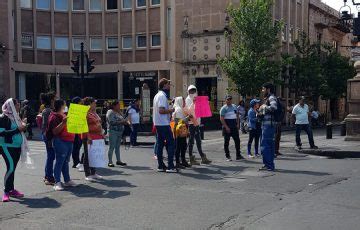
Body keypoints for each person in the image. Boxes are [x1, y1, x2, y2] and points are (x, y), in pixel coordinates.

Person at [46, 99, 77, 191]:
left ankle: (67, 180)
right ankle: (57, 182)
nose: (66, 105)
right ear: (61, 105)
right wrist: (63, 123)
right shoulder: (54, 117)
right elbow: (54, 131)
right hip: (60, 141)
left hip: (69, 141)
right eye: (64, 104)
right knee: (60, 161)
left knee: (65, 162)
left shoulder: (63, 114)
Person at [1, 99, 27, 202]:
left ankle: (11, 189)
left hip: (17, 147)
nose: (19, 106)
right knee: (10, 168)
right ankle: (6, 192)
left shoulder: (15, 117)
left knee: (12, 169)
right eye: (17, 104)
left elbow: (19, 128)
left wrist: (23, 125)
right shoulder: (3, 117)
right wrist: (19, 129)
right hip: (6, 146)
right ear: (11, 105)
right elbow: (2, 133)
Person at [153, 78, 177, 173]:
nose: (169, 86)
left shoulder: (157, 95)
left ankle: (160, 165)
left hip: (158, 123)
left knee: (160, 144)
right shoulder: (162, 96)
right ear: (164, 86)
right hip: (163, 123)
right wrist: (171, 110)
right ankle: (170, 166)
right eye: (168, 84)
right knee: (171, 143)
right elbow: (161, 110)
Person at [185, 85, 211, 165]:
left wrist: (205, 104)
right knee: (192, 141)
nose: (192, 92)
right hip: (192, 123)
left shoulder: (196, 98)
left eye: (194, 90)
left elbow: (199, 109)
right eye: (191, 91)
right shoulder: (188, 99)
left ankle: (202, 157)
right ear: (188, 92)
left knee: (198, 141)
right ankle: (191, 158)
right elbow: (188, 111)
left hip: (196, 122)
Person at [82, 97, 104, 181]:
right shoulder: (84, 113)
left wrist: (101, 133)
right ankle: (87, 174)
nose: (95, 104)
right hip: (89, 137)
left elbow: (99, 122)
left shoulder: (93, 113)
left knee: (94, 155)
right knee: (87, 155)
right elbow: (84, 126)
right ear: (90, 104)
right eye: (94, 103)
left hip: (96, 136)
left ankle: (93, 173)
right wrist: (88, 136)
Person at [258, 83, 277, 171]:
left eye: (263, 89)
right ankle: (267, 164)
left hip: (268, 125)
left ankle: (269, 165)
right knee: (268, 145)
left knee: (266, 145)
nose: (262, 91)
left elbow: (274, 107)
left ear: (268, 89)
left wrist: (264, 107)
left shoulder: (271, 97)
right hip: (266, 124)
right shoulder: (268, 98)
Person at [220, 95, 244, 161]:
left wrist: (238, 124)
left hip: (234, 126)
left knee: (237, 141)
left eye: (230, 99)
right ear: (225, 100)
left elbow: (237, 115)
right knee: (226, 142)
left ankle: (238, 155)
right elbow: (222, 119)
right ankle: (228, 156)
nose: (229, 100)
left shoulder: (234, 106)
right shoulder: (223, 108)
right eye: (228, 99)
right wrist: (226, 127)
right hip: (227, 127)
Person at [106, 100, 128, 167]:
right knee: (111, 147)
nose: (119, 106)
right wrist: (122, 122)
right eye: (118, 105)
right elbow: (111, 122)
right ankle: (110, 161)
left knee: (117, 147)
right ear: (114, 106)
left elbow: (123, 119)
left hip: (119, 131)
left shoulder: (119, 112)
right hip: (113, 131)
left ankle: (118, 160)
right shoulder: (110, 112)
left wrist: (125, 121)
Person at [172, 96, 192, 168]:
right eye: (183, 101)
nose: (184, 102)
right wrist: (188, 118)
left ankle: (183, 161)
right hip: (179, 130)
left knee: (183, 146)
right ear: (180, 101)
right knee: (179, 146)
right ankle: (178, 162)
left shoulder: (180, 109)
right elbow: (179, 121)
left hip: (181, 130)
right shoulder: (178, 109)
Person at [42, 92, 56, 185]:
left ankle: (47, 175)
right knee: (51, 156)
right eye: (55, 99)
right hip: (49, 136)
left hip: (47, 135)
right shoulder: (48, 111)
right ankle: (49, 177)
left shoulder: (48, 110)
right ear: (51, 100)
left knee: (50, 156)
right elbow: (47, 125)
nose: (56, 100)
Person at [70, 97, 83, 171]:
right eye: (80, 101)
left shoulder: (74, 109)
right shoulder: (75, 109)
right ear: (77, 102)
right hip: (76, 131)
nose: (81, 102)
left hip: (77, 130)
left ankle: (76, 162)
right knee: (76, 147)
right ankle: (76, 162)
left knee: (76, 147)